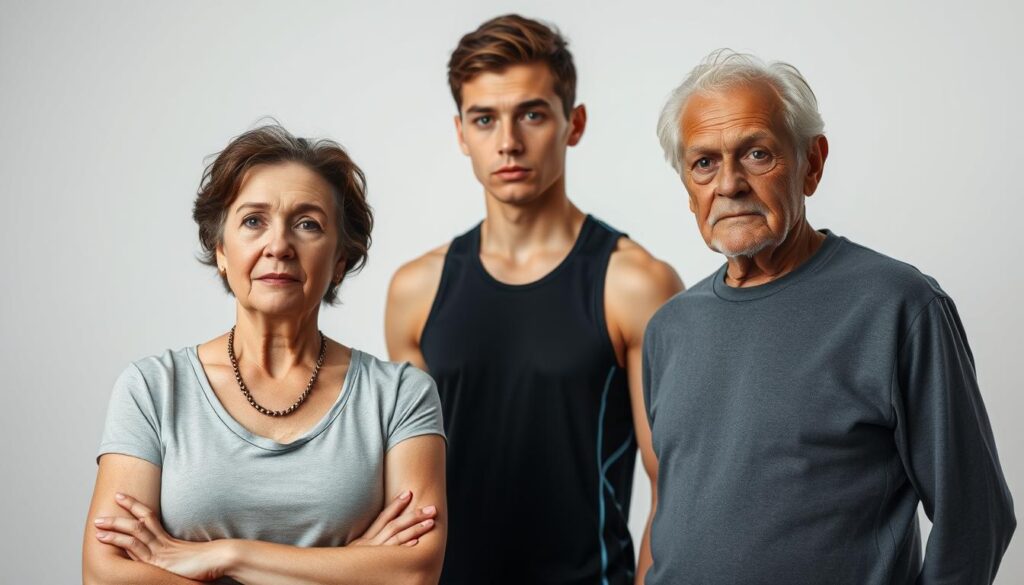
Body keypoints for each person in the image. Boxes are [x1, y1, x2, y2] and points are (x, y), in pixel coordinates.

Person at [643, 49, 1016, 584]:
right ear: (687, 186)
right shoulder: (669, 329)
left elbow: (975, 516)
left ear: (811, 163)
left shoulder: (897, 305)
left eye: (756, 154)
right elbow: (673, 513)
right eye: (704, 163)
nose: (729, 184)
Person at [386, 14, 683, 585]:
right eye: (484, 119)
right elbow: (409, 494)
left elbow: (672, 485)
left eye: (532, 114)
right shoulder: (415, 292)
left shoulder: (635, 284)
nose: (508, 142)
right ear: (461, 133)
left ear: (574, 123)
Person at [82, 125, 447, 585]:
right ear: (220, 250)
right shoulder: (152, 389)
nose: (278, 246)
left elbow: (413, 573)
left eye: (308, 224)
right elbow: (105, 575)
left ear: (339, 261)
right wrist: (352, 567)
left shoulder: (400, 395)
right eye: (254, 221)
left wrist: (227, 557)